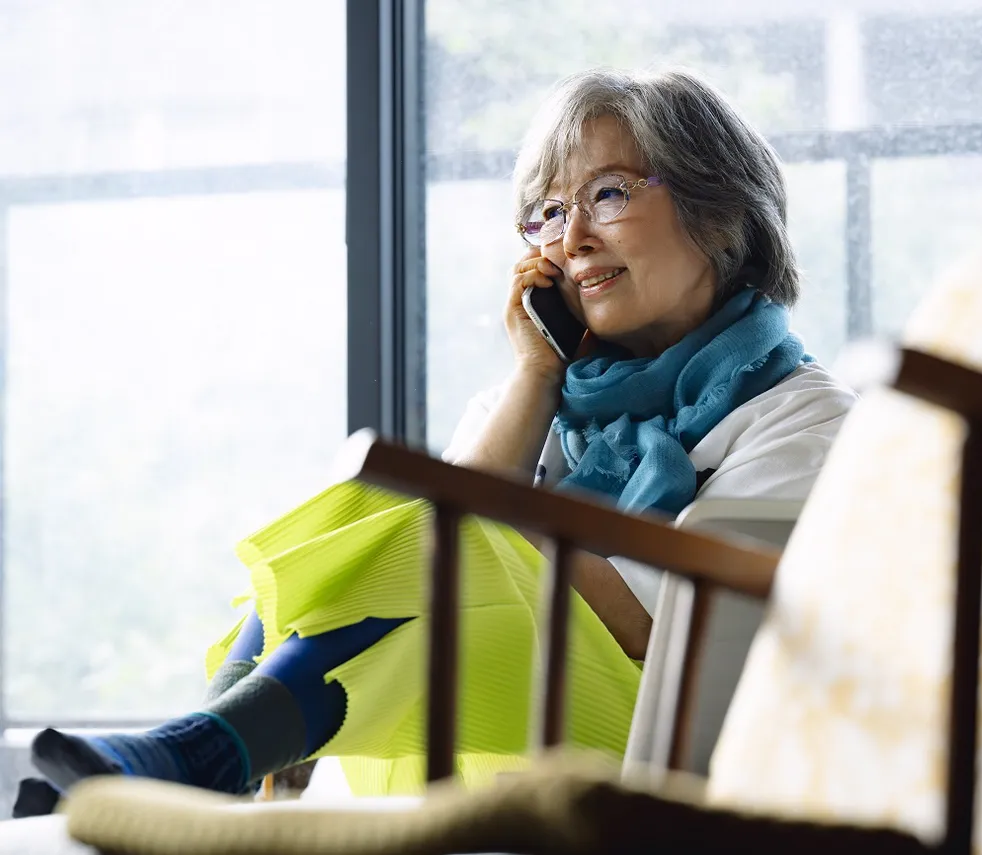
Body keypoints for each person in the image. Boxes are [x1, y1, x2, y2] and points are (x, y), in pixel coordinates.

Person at [21, 66, 855, 806]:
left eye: (607, 194)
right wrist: (535, 376)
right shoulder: (536, 397)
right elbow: (431, 535)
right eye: (549, 212)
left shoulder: (804, 416)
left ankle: (202, 758)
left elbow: (669, 626)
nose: (570, 241)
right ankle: (208, 750)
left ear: (718, 210)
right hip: (501, 720)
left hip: (648, 751)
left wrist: (493, 510)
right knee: (384, 509)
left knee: (431, 520)